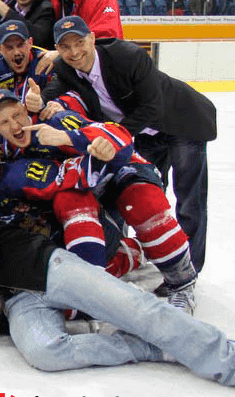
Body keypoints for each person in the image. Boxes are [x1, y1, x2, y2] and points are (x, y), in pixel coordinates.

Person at [0, 184, 235, 387]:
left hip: (47, 268)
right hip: (20, 301)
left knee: (137, 310)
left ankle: (226, 359)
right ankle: (152, 349)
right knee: (45, 352)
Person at [42, 16, 216, 274]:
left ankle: (188, 269)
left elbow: (153, 108)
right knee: (146, 193)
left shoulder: (128, 56)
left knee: (189, 200)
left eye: (79, 42)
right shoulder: (65, 68)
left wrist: (113, 136)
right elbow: (58, 88)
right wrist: (44, 101)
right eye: (65, 46)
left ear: (92, 38)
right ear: (58, 49)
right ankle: (145, 253)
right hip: (145, 134)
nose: (74, 52)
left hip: (182, 121)